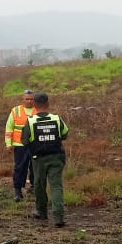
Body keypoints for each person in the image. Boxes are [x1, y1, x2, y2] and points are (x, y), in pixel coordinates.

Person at [23, 92, 69, 227]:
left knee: (39, 185)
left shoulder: (30, 121)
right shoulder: (56, 119)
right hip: (56, 157)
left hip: (38, 160)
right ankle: (58, 217)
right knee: (56, 186)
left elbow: (24, 141)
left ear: (34, 105)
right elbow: (65, 134)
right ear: (48, 104)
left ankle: (41, 212)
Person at [4, 88, 36, 201]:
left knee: (35, 168)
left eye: (31, 99)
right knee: (20, 168)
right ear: (23, 99)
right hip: (19, 145)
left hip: (35, 146)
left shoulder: (38, 110)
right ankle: (18, 191)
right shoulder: (15, 111)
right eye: (27, 99)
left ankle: (34, 188)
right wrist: (8, 143)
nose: (29, 101)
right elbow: (9, 127)